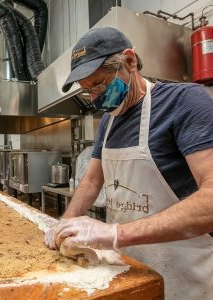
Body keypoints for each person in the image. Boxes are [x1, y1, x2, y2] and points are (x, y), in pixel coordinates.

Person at [44, 27, 213, 299]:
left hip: (185, 277)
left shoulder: (185, 103)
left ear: (130, 62)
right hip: (129, 273)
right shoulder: (108, 122)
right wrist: (66, 222)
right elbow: (92, 180)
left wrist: (114, 233)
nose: (95, 98)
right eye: (87, 91)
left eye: (98, 84)